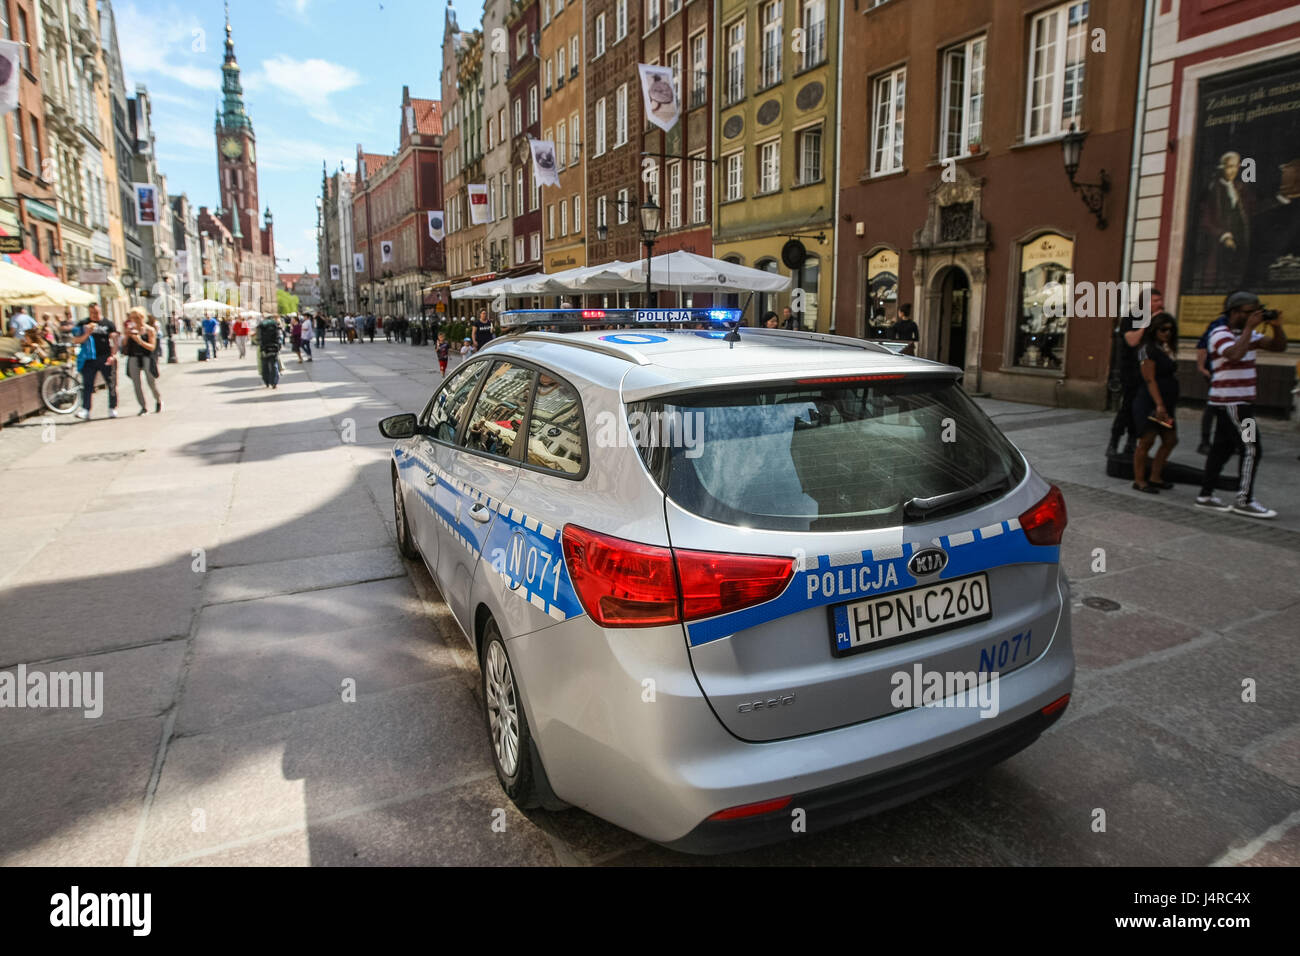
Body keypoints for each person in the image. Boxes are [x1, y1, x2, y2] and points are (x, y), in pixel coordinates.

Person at [1196, 291, 1287, 517]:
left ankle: (1205, 495)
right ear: (1234, 312)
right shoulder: (1219, 333)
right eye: (1249, 312)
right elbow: (1234, 354)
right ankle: (1244, 500)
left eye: (1256, 312)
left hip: (1238, 401)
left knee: (1221, 449)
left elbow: (1278, 347)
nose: (1253, 316)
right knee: (1252, 447)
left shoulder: (1247, 334)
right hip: (1232, 403)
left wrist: (1276, 326)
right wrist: (1249, 330)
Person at [1107, 288, 1163, 457]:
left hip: (1149, 372)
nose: (1159, 304)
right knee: (1127, 407)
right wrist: (1148, 322)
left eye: (1159, 301)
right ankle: (1114, 441)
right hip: (1131, 371)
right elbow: (1132, 341)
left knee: (1141, 410)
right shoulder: (1131, 318)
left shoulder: (1159, 320)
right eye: (1154, 301)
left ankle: (1132, 443)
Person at [1130, 313, 1179, 493]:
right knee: (1147, 440)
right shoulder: (1146, 350)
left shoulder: (1165, 348)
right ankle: (1139, 480)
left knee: (1170, 439)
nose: (1167, 333)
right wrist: (1159, 405)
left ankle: (1155, 476)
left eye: (1171, 330)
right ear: (1154, 330)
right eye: (1163, 329)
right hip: (1149, 402)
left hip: (1166, 402)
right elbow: (1150, 379)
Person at [70, 303, 119, 419]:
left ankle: (112, 408)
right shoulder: (83, 324)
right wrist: (87, 333)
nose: (95, 315)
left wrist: (113, 355)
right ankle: (85, 410)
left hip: (105, 356)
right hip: (89, 358)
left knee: (111, 384)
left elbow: (114, 341)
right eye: (92, 313)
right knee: (87, 385)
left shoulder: (108, 324)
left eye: (96, 312)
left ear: (100, 311)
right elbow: (76, 340)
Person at [1193, 301, 1230, 455]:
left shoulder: (1245, 329)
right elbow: (1202, 345)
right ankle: (1205, 441)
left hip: (1238, 379)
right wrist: (1202, 367)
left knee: (1234, 409)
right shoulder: (1218, 325)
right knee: (1214, 406)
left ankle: (1233, 441)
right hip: (1217, 372)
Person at [122, 307, 161, 415]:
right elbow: (124, 345)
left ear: (142, 317)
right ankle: (143, 406)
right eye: (132, 318)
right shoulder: (131, 330)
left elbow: (152, 347)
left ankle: (158, 399)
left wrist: (139, 341)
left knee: (150, 381)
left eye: (137, 317)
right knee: (136, 383)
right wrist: (126, 336)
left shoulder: (149, 330)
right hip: (133, 357)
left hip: (146, 357)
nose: (135, 320)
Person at [257, 317, 282, 388]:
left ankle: (266, 381)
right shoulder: (275, 325)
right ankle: (274, 382)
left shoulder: (261, 326)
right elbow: (279, 337)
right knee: (274, 365)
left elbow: (258, 338)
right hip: (274, 347)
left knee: (264, 365)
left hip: (264, 348)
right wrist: (279, 346)